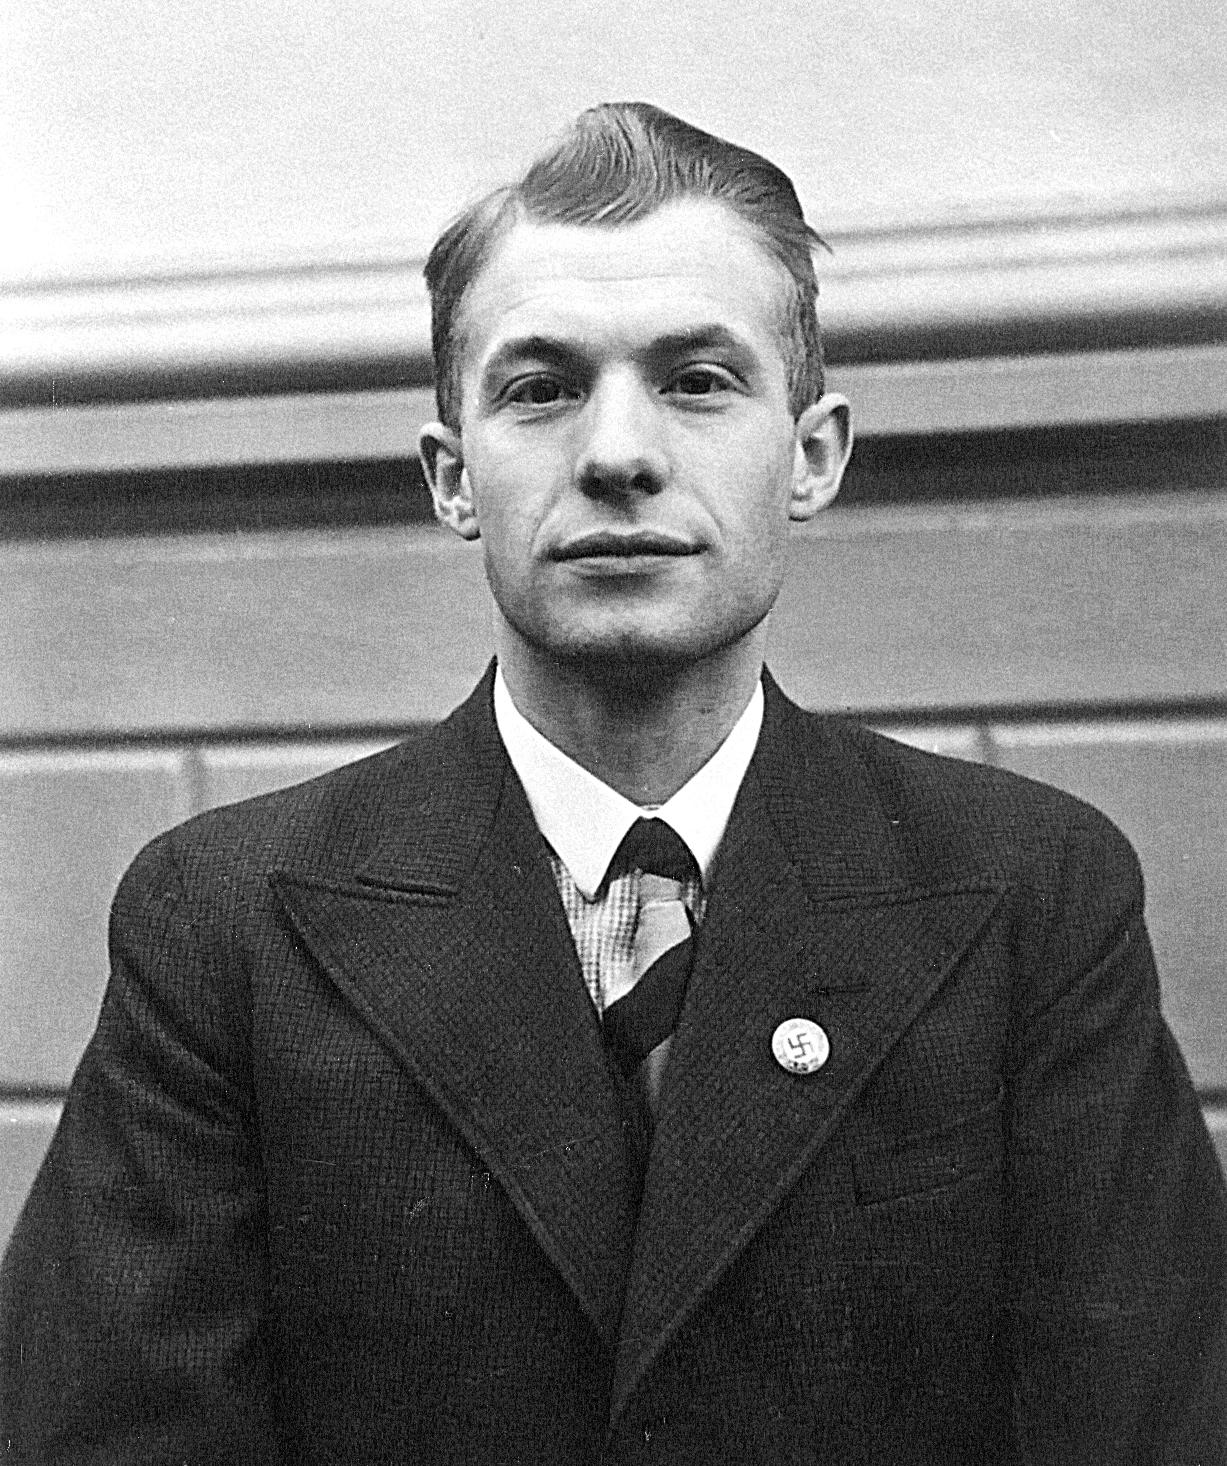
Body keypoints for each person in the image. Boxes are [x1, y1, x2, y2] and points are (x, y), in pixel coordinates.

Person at [2, 101, 1224, 1464]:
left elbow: (1150, 1424)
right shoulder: (232, 923)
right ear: (452, 478)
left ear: (811, 455)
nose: (619, 454)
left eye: (698, 381)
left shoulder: (1026, 895)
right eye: (542, 389)